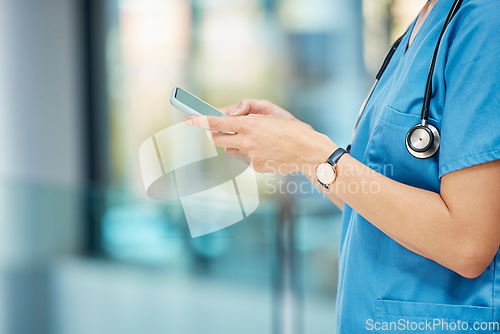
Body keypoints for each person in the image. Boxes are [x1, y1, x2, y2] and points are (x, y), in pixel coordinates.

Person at [185, 0, 500, 332]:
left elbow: (468, 243)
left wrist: (312, 153)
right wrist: (299, 148)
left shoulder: (483, 21)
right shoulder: (419, 27)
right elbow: (371, 205)